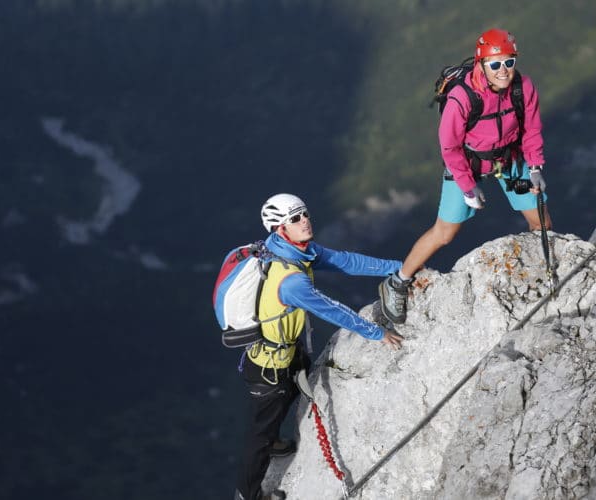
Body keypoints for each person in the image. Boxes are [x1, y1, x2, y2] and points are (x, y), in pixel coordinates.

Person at [235, 193, 404, 500]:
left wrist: (401, 268)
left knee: (280, 409)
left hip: (284, 354)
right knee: (260, 434)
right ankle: (248, 494)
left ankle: (272, 440)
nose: (305, 221)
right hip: (269, 369)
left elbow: (346, 261)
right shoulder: (290, 280)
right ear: (279, 229)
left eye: (305, 214)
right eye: (295, 218)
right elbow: (332, 310)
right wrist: (376, 333)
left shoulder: (296, 250)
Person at [379, 28, 553, 325]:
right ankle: (397, 281)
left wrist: (535, 167)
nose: (503, 71)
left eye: (508, 62)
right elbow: (450, 148)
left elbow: (532, 130)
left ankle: (542, 271)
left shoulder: (523, 88)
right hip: (467, 164)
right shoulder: (463, 98)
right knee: (444, 233)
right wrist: (468, 186)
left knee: (542, 220)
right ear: (481, 64)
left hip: (509, 159)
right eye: (495, 64)